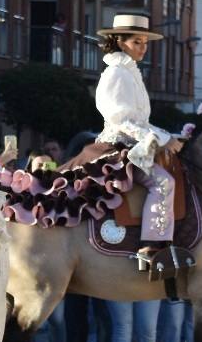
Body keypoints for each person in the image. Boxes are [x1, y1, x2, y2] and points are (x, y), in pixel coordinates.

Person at [68, 14, 182, 263]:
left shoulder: (129, 71)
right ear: (120, 42)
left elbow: (140, 122)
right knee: (163, 183)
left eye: (145, 43)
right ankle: (152, 247)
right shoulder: (117, 73)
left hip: (133, 145)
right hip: (116, 147)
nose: (142, 48)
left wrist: (169, 137)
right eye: (136, 42)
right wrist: (161, 140)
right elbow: (121, 120)